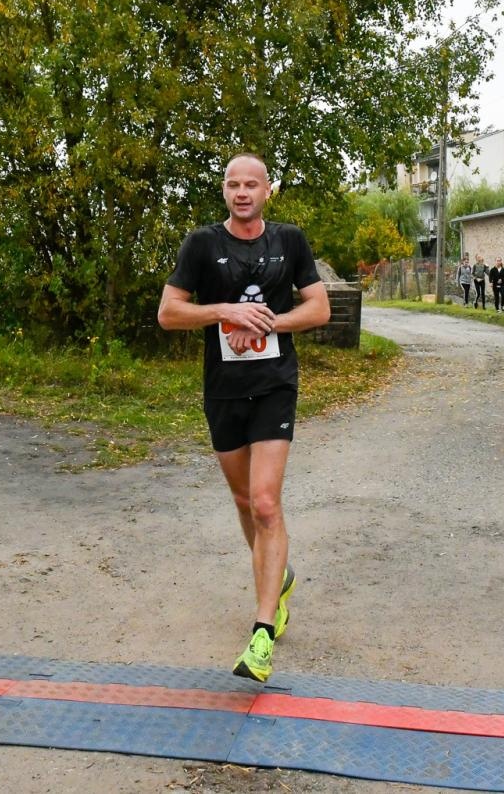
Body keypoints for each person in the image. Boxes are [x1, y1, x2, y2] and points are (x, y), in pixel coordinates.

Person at [158, 154, 330, 682]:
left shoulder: (289, 240)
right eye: (233, 184)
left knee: (265, 502)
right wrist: (225, 311)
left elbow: (319, 308)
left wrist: (268, 323)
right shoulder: (201, 244)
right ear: (224, 191)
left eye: (251, 184)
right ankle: (279, 576)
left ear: (267, 191)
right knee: (243, 501)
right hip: (223, 391)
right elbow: (168, 313)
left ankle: (262, 631)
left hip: (274, 385)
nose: (241, 192)